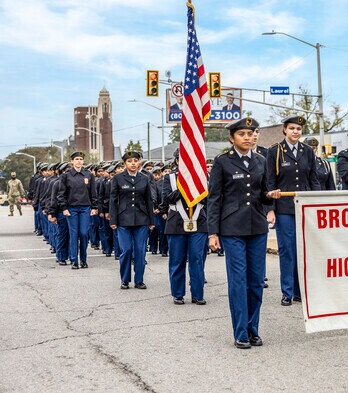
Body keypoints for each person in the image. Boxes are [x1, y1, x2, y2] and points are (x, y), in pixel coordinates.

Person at [207, 117, 281, 349]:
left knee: (256, 281)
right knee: (238, 281)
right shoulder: (222, 162)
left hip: (257, 226)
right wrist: (213, 232)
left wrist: (270, 198)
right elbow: (214, 199)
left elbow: (262, 193)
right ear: (232, 138)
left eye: (251, 134)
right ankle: (240, 332)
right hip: (232, 228)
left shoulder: (261, 160)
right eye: (242, 134)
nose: (247, 138)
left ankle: (253, 329)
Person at [266, 116, 320, 306]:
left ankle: (300, 291)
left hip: (304, 207)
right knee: (287, 249)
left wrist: (317, 203)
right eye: (292, 128)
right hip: (284, 208)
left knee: (303, 250)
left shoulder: (307, 152)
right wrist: (270, 209)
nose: (296, 132)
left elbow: (314, 180)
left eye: (298, 129)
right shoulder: (275, 151)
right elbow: (270, 182)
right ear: (284, 130)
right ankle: (287, 292)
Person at [160, 149, 208, 304]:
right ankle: (178, 293)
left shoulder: (202, 177)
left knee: (196, 258)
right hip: (176, 222)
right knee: (177, 259)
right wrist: (184, 186)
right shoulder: (169, 178)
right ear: (177, 162)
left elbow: (209, 200)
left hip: (198, 222)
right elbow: (167, 199)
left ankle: (198, 294)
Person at [109, 151, 155, 290]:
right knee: (126, 250)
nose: (133, 163)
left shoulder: (144, 178)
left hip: (141, 219)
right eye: (130, 161)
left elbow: (149, 200)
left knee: (140, 251)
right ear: (125, 164)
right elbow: (113, 200)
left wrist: (151, 220)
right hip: (123, 219)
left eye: (135, 160)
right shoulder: (117, 178)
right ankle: (125, 279)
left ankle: (139, 280)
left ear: (139, 162)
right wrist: (113, 219)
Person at [56, 152, 98, 269]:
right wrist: (64, 208)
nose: (79, 161)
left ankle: (83, 259)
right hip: (72, 209)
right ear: (72, 161)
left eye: (81, 159)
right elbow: (61, 193)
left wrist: (94, 207)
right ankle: (74, 260)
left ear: (83, 161)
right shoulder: (66, 175)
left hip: (85, 208)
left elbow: (93, 193)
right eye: (76, 159)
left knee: (84, 234)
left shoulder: (89, 175)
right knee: (73, 234)